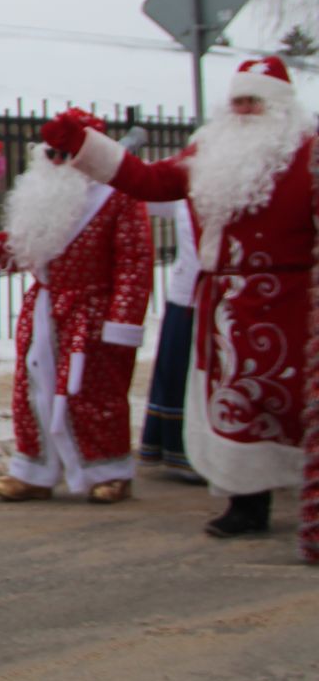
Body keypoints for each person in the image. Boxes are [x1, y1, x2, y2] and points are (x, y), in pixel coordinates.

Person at [44, 55, 315, 556]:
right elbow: (149, 181)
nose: (243, 109)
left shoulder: (309, 153)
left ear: (280, 105)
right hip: (225, 306)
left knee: (300, 401)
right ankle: (246, 501)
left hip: (295, 301)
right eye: (237, 100)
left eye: (254, 100)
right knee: (233, 404)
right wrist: (82, 144)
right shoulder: (208, 150)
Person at [0, 120, 154, 504]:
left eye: (68, 155)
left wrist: (122, 321)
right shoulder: (43, 198)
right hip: (43, 311)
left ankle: (108, 470)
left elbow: (134, 263)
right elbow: (24, 252)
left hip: (93, 313)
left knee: (93, 393)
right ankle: (35, 470)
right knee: (33, 392)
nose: (59, 161)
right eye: (52, 154)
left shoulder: (119, 197)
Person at [138, 200, 205, 483]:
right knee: (179, 372)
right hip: (186, 293)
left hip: (224, 296)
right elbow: (146, 194)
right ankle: (179, 450)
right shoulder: (182, 188)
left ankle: (212, 454)